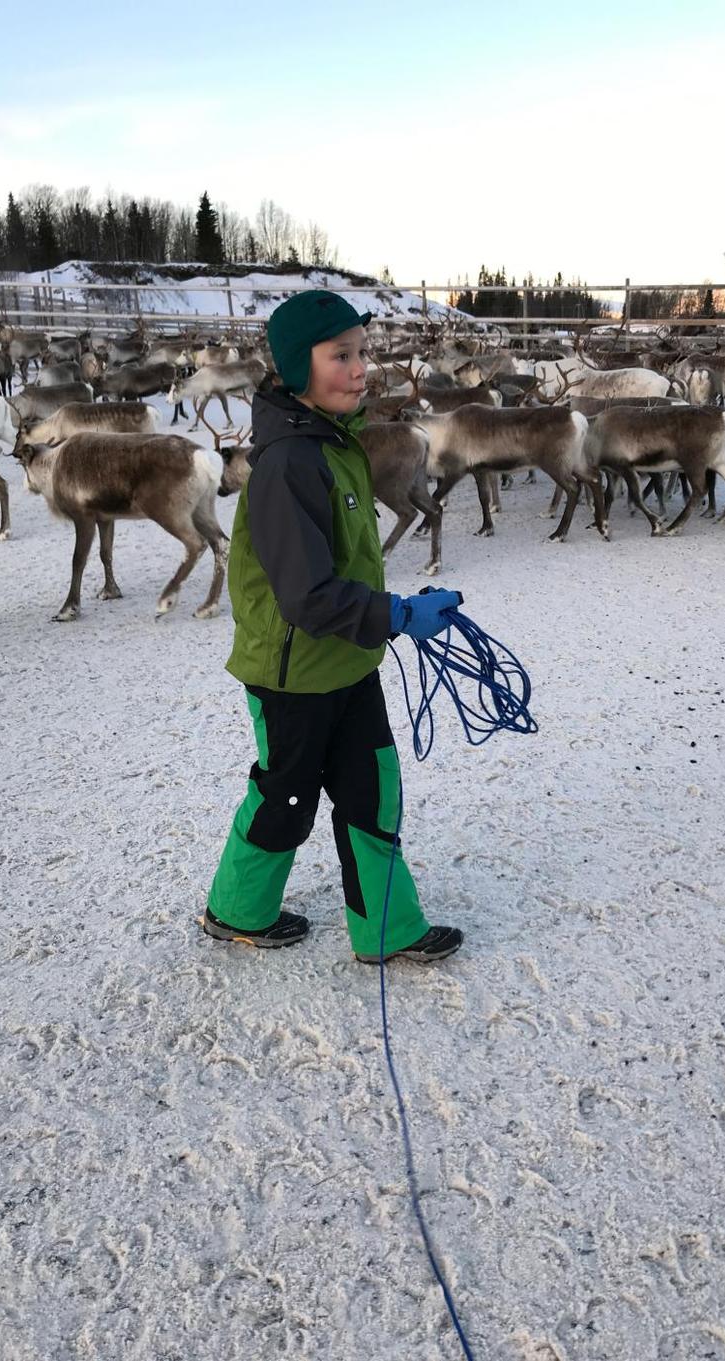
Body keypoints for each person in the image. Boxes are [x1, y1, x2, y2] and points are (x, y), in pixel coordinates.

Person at [203, 289, 464, 964]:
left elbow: (344, 563)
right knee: (286, 800)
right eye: (340, 355)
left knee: (372, 792)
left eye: (362, 352)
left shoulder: (334, 442)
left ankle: (388, 929)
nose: (360, 369)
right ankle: (236, 910)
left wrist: (389, 611)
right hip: (291, 674)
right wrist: (398, 615)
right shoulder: (288, 464)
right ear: (298, 367)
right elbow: (307, 596)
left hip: (349, 661)